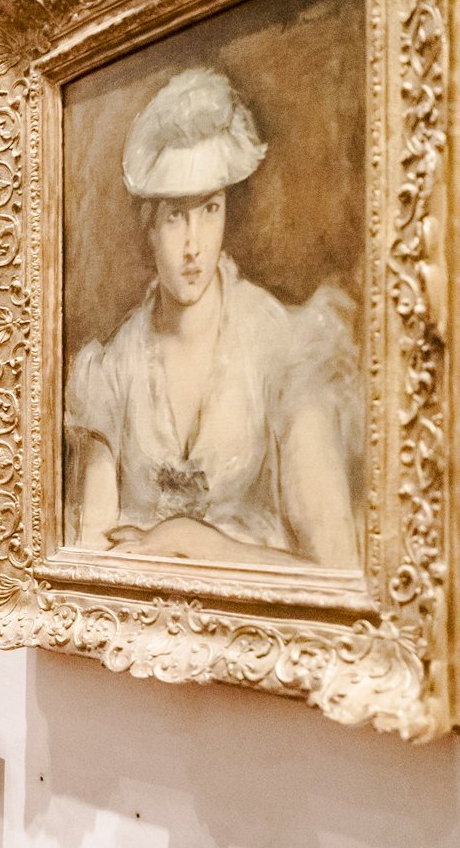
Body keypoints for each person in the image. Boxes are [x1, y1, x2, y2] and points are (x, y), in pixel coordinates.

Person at [67, 66, 360, 567]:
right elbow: (87, 557)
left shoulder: (282, 347)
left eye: (210, 210)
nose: (192, 245)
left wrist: (196, 540)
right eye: (175, 216)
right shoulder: (112, 370)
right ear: (149, 227)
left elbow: (337, 570)